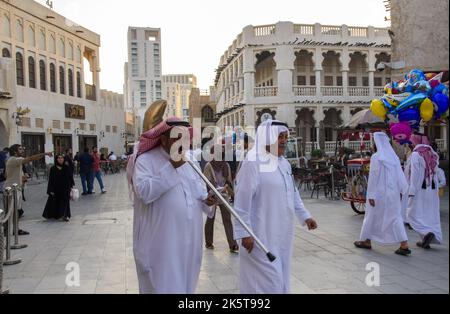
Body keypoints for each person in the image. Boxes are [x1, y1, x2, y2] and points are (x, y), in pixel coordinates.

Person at [127, 117, 216, 294]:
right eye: (177, 137)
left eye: (185, 137)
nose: (182, 142)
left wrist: (208, 199)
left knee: (186, 286)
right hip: (161, 245)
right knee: (163, 287)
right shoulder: (146, 160)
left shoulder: (190, 160)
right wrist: (171, 166)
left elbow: (198, 192)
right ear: (163, 139)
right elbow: (144, 193)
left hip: (189, 243)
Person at [233, 120, 318, 294]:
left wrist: (305, 216)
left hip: (282, 235)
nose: (284, 141)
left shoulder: (284, 163)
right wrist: (244, 232)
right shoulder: (252, 162)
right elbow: (241, 201)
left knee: (281, 279)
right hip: (259, 237)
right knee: (269, 284)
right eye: (280, 137)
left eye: (286, 137)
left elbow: (292, 193)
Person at [354, 132, 411, 256]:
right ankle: (404, 244)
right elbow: (400, 175)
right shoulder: (394, 157)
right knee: (395, 216)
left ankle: (366, 241)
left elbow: (374, 177)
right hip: (393, 193)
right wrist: (403, 189)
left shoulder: (376, 157)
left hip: (379, 193)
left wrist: (372, 195)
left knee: (371, 215)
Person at [4, 144, 52, 235]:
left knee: (16, 211)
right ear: (15, 151)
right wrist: (45, 153)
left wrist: (21, 177)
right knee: (10, 211)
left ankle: (16, 229)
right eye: (20, 149)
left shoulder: (14, 161)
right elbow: (30, 158)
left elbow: (7, 175)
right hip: (11, 190)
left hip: (16, 189)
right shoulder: (13, 160)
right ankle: (7, 230)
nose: (22, 150)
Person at [405, 133, 443, 250]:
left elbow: (415, 175)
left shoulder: (416, 154)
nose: (411, 143)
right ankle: (425, 238)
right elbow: (436, 171)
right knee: (428, 214)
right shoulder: (432, 153)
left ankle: (426, 233)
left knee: (411, 214)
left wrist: (411, 190)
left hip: (419, 190)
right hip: (431, 190)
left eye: (412, 141)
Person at [203, 145, 239, 254]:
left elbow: (228, 181)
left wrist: (228, 188)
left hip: (223, 195)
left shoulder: (225, 165)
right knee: (210, 219)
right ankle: (209, 242)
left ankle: (232, 244)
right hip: (212, 195)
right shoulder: (209, 166)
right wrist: (213, 189)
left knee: (227, 219)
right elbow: (206, 181)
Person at [43, 154, 75, 221]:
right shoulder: (53, 168)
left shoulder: (66, 167)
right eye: (59, 158)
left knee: (65, 202)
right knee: (55, 201)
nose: (60, 159)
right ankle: (56, 215)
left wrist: (71, 186)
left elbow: (70, 177)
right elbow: (51, 179)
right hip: (56, 188)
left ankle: (65, 215)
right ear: (56, 159)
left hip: (65, 188)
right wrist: (50, 189)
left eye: (62, 158)